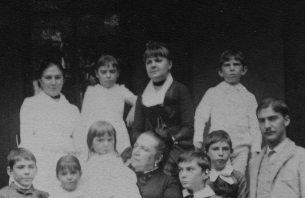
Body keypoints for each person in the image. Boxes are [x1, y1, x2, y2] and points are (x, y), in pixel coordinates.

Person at [130, 41, 194, 176]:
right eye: (149, 62)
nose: (153, 65)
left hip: (179, 144)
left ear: (169, 64)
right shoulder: (143, 94)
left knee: (167, 173)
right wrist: (148, 142)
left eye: (158, 61)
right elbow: (136, 130)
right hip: (153, 146)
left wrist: (171, 138)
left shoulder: (180, 89)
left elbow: (188, 128)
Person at [193, 49, 261, 174]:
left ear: (244, 70)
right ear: (220, 71)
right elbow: (200, 116)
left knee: (236, 180)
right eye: (227, 65)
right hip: (218, 147)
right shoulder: (212, 93)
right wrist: (198, 140)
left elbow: (255, 124)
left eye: (236, 65)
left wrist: (256, 149)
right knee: (216, 180)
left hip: (241, 148)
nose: (232, 69)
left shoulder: (249, 97)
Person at [19, 59, 82, 193]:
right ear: (40, 81)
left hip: (67, 169)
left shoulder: (72, 110)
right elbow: (28, 142)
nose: (53, 82)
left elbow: (80, 144)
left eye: (58, 77)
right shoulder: (30, 104)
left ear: (63, 79)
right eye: (48, 78)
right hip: (41, 165)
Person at [81, 55, 137, 154]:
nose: (108, 75)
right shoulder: (91, 91)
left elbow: (138, 101)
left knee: (120, 157)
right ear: (97, 74)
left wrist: (133, 110)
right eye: (103, 72)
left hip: (117, 131)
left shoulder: (121, 90)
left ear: (118, 73)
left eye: (112, 71)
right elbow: (84, 116)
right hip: (97, 130)